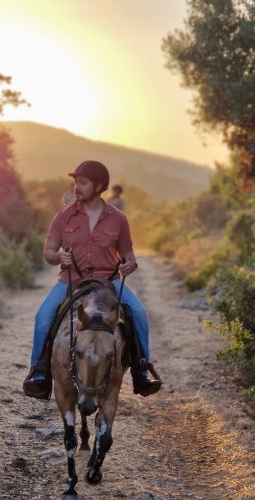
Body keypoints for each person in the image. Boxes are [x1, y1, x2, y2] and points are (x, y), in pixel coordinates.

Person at [23, 160, 161, 399]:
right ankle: (39, 372)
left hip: (109, 281)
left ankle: (141, 370)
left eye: (83, 183)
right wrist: (59, 256)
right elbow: (49, 253)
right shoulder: (63, 217)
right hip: (70, 280)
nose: (77, 187)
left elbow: (128, 255)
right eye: (76, 182)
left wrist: (130, 264)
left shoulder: (118, 219)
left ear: (98, 186)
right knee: (43, 314)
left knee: (138, 312)